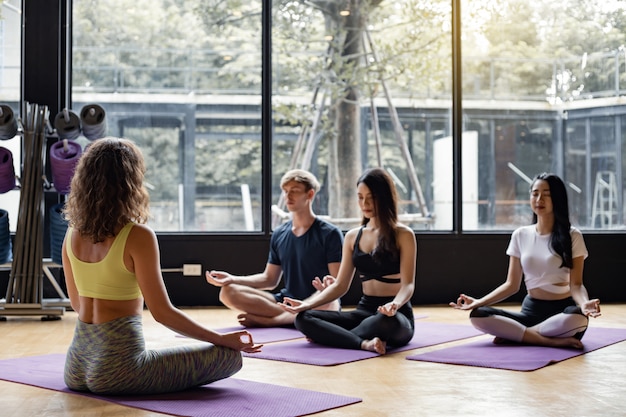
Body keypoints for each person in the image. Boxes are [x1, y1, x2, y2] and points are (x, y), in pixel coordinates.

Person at [62, 137, 262, 395]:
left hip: (75, 367)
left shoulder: (72, 234)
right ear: (130, 182)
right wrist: (222, 339)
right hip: (119, 369)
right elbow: (163, 313)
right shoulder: (138, 236)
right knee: (230, 357)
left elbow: (77, 305)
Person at [450, 172, 601, 349]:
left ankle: (519, 334)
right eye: (535, 193)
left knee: (577, 317)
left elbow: (576, 285)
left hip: (562, 314)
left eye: (547, 195)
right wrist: (479, 302)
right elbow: (511, 285)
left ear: (558, 199)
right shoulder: (520, 235)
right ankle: (545, 340)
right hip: (530, 311)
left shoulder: (573, 236)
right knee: (478, 315)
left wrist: (584, 304)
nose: (539, 199)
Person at [279, 167, 417, 355]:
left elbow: (408, 285)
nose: (365, 203)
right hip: (363, 312)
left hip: (394, 317)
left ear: (384, 197)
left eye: (371, 197)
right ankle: (363, 344)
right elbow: (340, 285)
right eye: (360, 197)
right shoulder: (353, 236)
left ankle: (336, 337)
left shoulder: (403, 235)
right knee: (303, 318)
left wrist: (395, 305)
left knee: (384, 322)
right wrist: (307, 304)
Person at [206, 169, 344, 327]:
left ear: (310, 194)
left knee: (330, 302)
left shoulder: (330, 233)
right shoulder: (279, 233)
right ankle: (292, 319)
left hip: (319, 301)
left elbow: (336, 283)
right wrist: (233, 279)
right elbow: (269, 279)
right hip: (285, 300)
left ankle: (272, 320)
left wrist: (315, 300)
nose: (288, 196)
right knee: (227, 292)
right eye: (285, 191)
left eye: (295, 191)